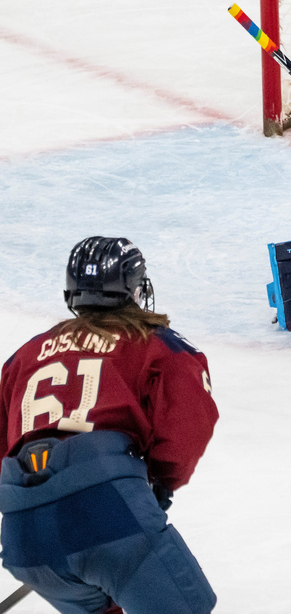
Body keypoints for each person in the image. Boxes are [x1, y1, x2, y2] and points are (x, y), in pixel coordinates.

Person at [0, 237, 219, 613]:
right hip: (107, 511)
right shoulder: (156, 345)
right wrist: (160, 483)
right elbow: (186, 424)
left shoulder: (23, 356)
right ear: (134, 288)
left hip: (24, 535)